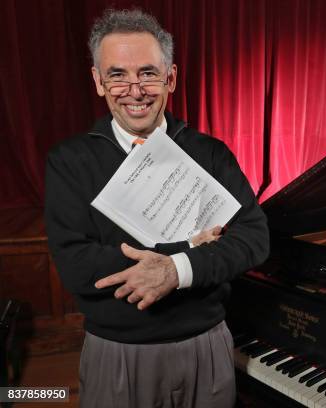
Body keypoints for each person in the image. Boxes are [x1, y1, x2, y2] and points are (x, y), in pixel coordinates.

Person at [44, 8, 269, 408]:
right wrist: (182, 254)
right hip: (117, 354)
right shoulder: (69, 161)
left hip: (206, 346)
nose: (135, 89)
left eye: (148, 73)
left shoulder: (211, 154)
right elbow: (77, 265)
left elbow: (254, 238)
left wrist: (177, 271)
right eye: (117, 75)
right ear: (98, 82)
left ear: (171, 78)